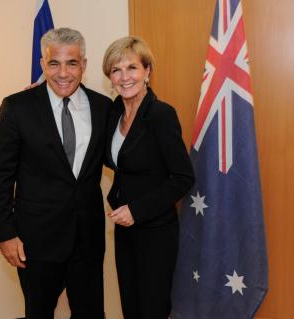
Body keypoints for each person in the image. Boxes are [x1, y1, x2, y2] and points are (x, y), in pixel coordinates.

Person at [0, 27, 111, 319]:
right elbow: (0, 177)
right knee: (39, 313)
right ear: (43, 65)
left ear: (84, 65)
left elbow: (124, 155)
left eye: (72, 63)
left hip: (88, 239)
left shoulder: (103, 107)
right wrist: (6, 234)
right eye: (54, 63)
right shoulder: (17, 107)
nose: (63, 73)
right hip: (36, 241)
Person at [102, 36, 195, 319]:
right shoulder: (113, 112)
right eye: (116, 70)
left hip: (156, 232)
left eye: (132, 67)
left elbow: (182, 177)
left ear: (147, 72)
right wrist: (43, 90)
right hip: (124, 231)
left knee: (152, 310)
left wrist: (137, 210)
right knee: (131, 306)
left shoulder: (161, 115)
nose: (124, 76)